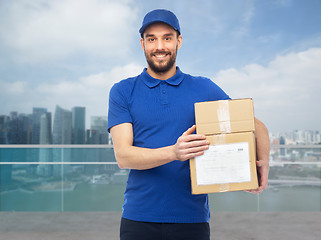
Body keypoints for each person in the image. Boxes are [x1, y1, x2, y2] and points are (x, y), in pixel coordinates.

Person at [108, 9, 270, 240]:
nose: (159, 46)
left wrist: (262, 165)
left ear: (178, 41)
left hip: (191, 219)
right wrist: (174, 152)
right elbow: (124, 156)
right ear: (142, 44)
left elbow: (257, 126)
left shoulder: (203, 88)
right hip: (138, 218)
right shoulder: (123, 91)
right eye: (151, 39)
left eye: (167, 37)